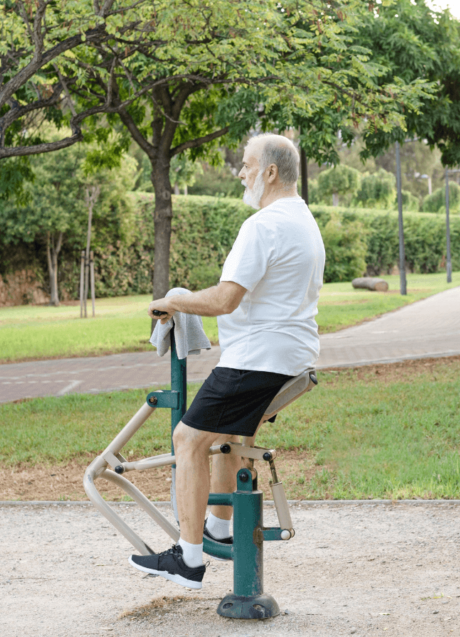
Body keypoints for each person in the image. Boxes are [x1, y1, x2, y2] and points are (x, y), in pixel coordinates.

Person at [130, 134, 325, 590]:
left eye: (247, 164)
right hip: (290, 355)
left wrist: (173, 302)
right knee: (228, 438)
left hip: (259, 359)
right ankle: (217, 526)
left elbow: (225, 300)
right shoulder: (303, 220)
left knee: (188, 438)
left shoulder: (262, 225)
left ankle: (188, 559)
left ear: (271, 172)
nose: (241, 171)